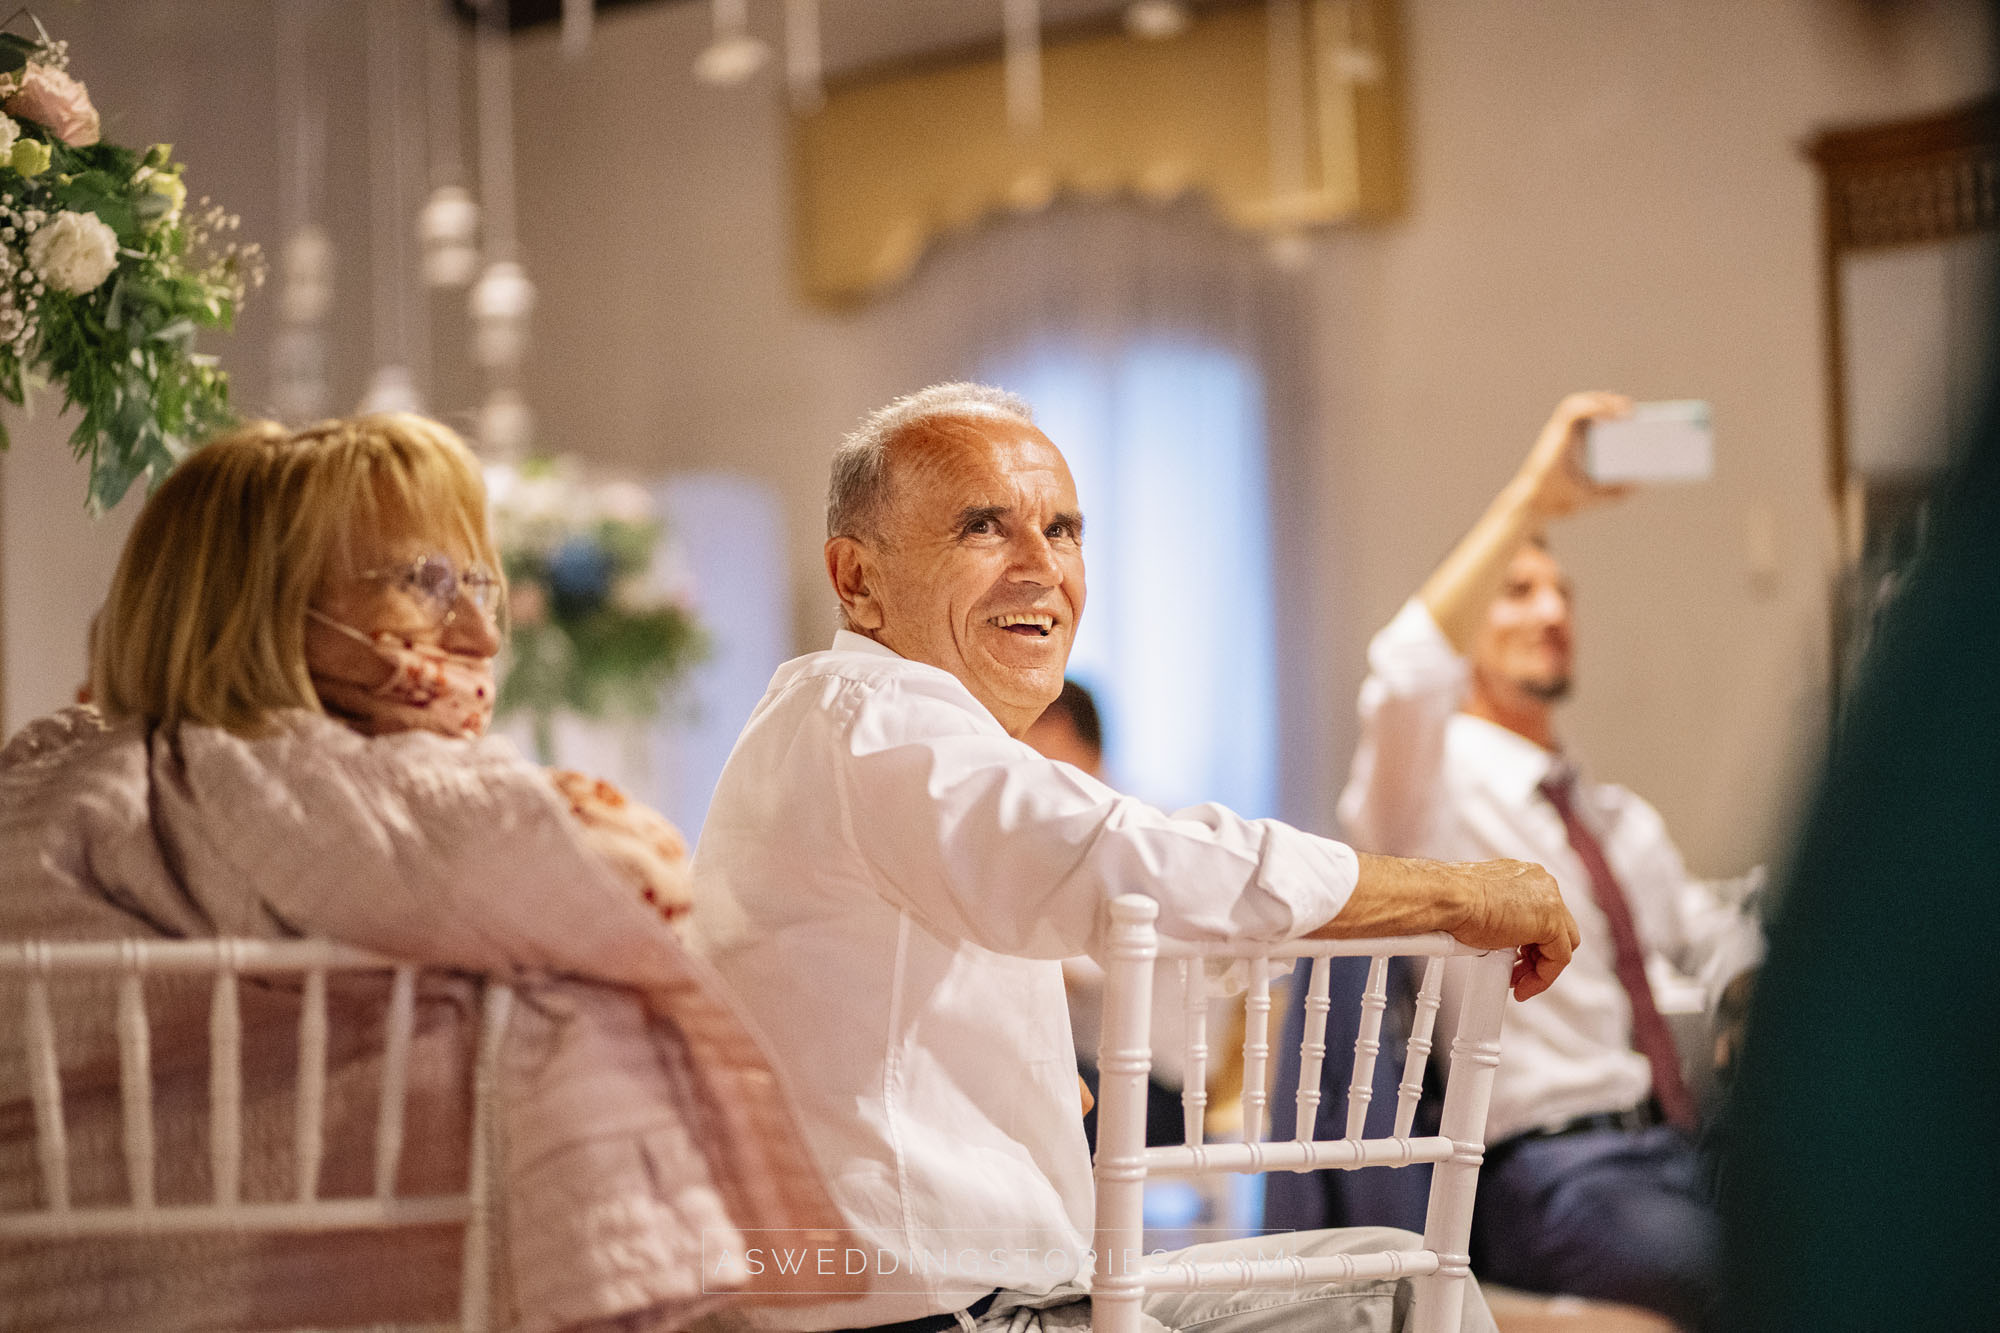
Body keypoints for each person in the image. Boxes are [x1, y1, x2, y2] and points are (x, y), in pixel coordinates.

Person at [692, 382, 1583, 1333]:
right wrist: (1457, 890)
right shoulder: (872, 715)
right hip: (948, 1317)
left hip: (984, 1291)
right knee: (1406, 1292)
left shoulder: (838, 727)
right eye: (983, 527)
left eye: (1065, 530)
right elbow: (1135, 864)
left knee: (1400, 1272)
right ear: (856, 578)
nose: (1042, 568)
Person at [0, 415, 848, 1332]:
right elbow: (629, 872)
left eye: (478, 583)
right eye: (424, 582)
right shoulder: (283, 775)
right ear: (259, 600)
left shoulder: (49, 778)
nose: (482, 634)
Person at [1325, 393, 1761, 1330]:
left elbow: (1707, 927)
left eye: (1561, 591)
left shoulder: (1609, 813)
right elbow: (1404, 671)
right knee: (1748, 1288)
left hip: (1685, 1148)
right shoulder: (1429, 790)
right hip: (1554, 1172)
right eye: (1517, 592)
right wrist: (1532, 498)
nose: (1552, 609)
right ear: (1472, 624)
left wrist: (1743, 990)